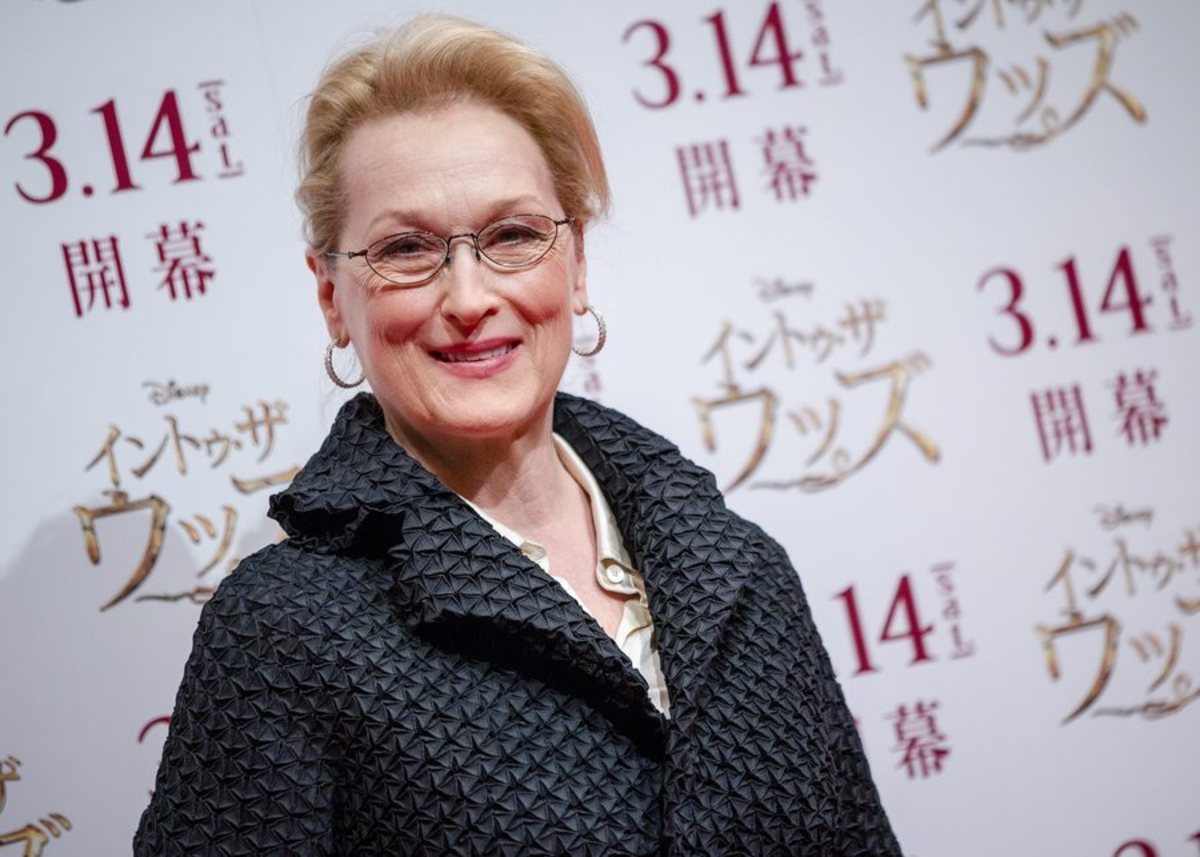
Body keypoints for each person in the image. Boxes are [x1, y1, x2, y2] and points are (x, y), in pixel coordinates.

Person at [134, 14, 902, 856]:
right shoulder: (282, 631)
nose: (468, 298)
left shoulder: (738, 569)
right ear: (331, 296)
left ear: (577, 262)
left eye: (513, 236)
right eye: (406, 248)